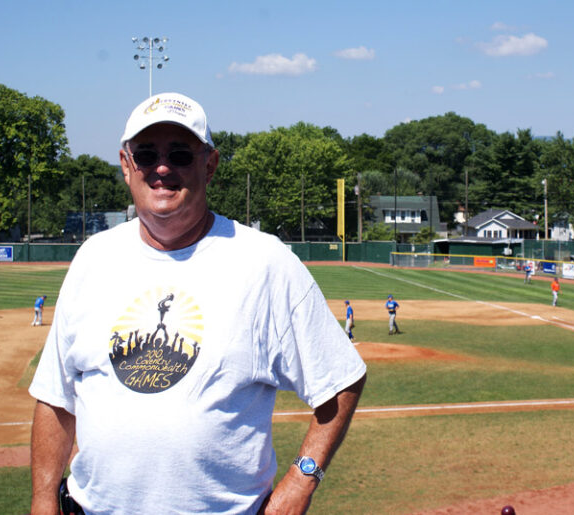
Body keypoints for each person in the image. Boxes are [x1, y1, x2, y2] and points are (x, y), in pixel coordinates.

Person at [29, 92, 367, 515]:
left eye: (181, 154)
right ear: (126, 164)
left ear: (210, 165)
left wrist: (301, 481)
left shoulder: (265, 262)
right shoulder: (92, 258)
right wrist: (43, 499)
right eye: (147, 154)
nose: (162, 168)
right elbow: (55, 397)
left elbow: (341, 378)